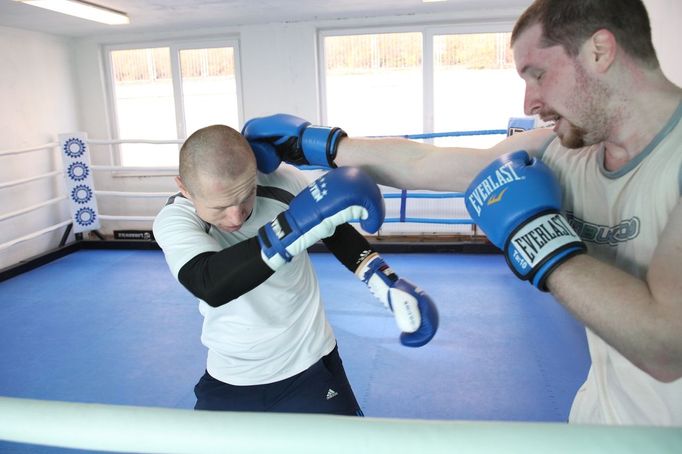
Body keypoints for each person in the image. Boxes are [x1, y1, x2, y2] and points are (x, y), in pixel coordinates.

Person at [241, 0, 682, 426]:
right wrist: (314, 144)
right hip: (598, 423)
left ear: (599, 51)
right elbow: (423, 164)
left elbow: (665, 346)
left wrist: (538, 238)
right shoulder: (563, 151)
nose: (529, 103)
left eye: (539, 74)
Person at [152, 124, 438, 415]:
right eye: (220, 208)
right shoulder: (175, 219)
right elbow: (208, 283)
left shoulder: (282, 183)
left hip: (310, 365)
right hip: (231, 376)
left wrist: (384, 281)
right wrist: (291, 227)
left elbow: (335, 231)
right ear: (184, 188)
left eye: (245, 196)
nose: (236, 216)